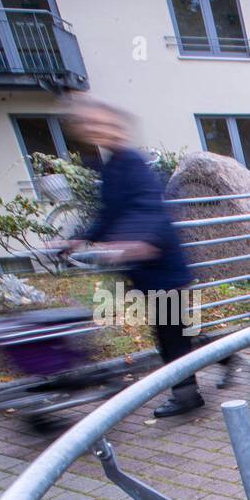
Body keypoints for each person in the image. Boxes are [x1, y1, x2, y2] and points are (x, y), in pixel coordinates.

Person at [64, 98, 202, 418]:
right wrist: (79, 238)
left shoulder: (132, 164)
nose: (96, 130)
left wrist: (139, 242)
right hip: (146, 269)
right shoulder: (111, 167)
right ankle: (218, 362)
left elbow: (149, 208)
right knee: (174, 332)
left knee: (172, 337)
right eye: (90, 126)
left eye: (102, 124)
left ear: (117, 128)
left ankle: (187, 395)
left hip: (162, 267)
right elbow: (109, 214)